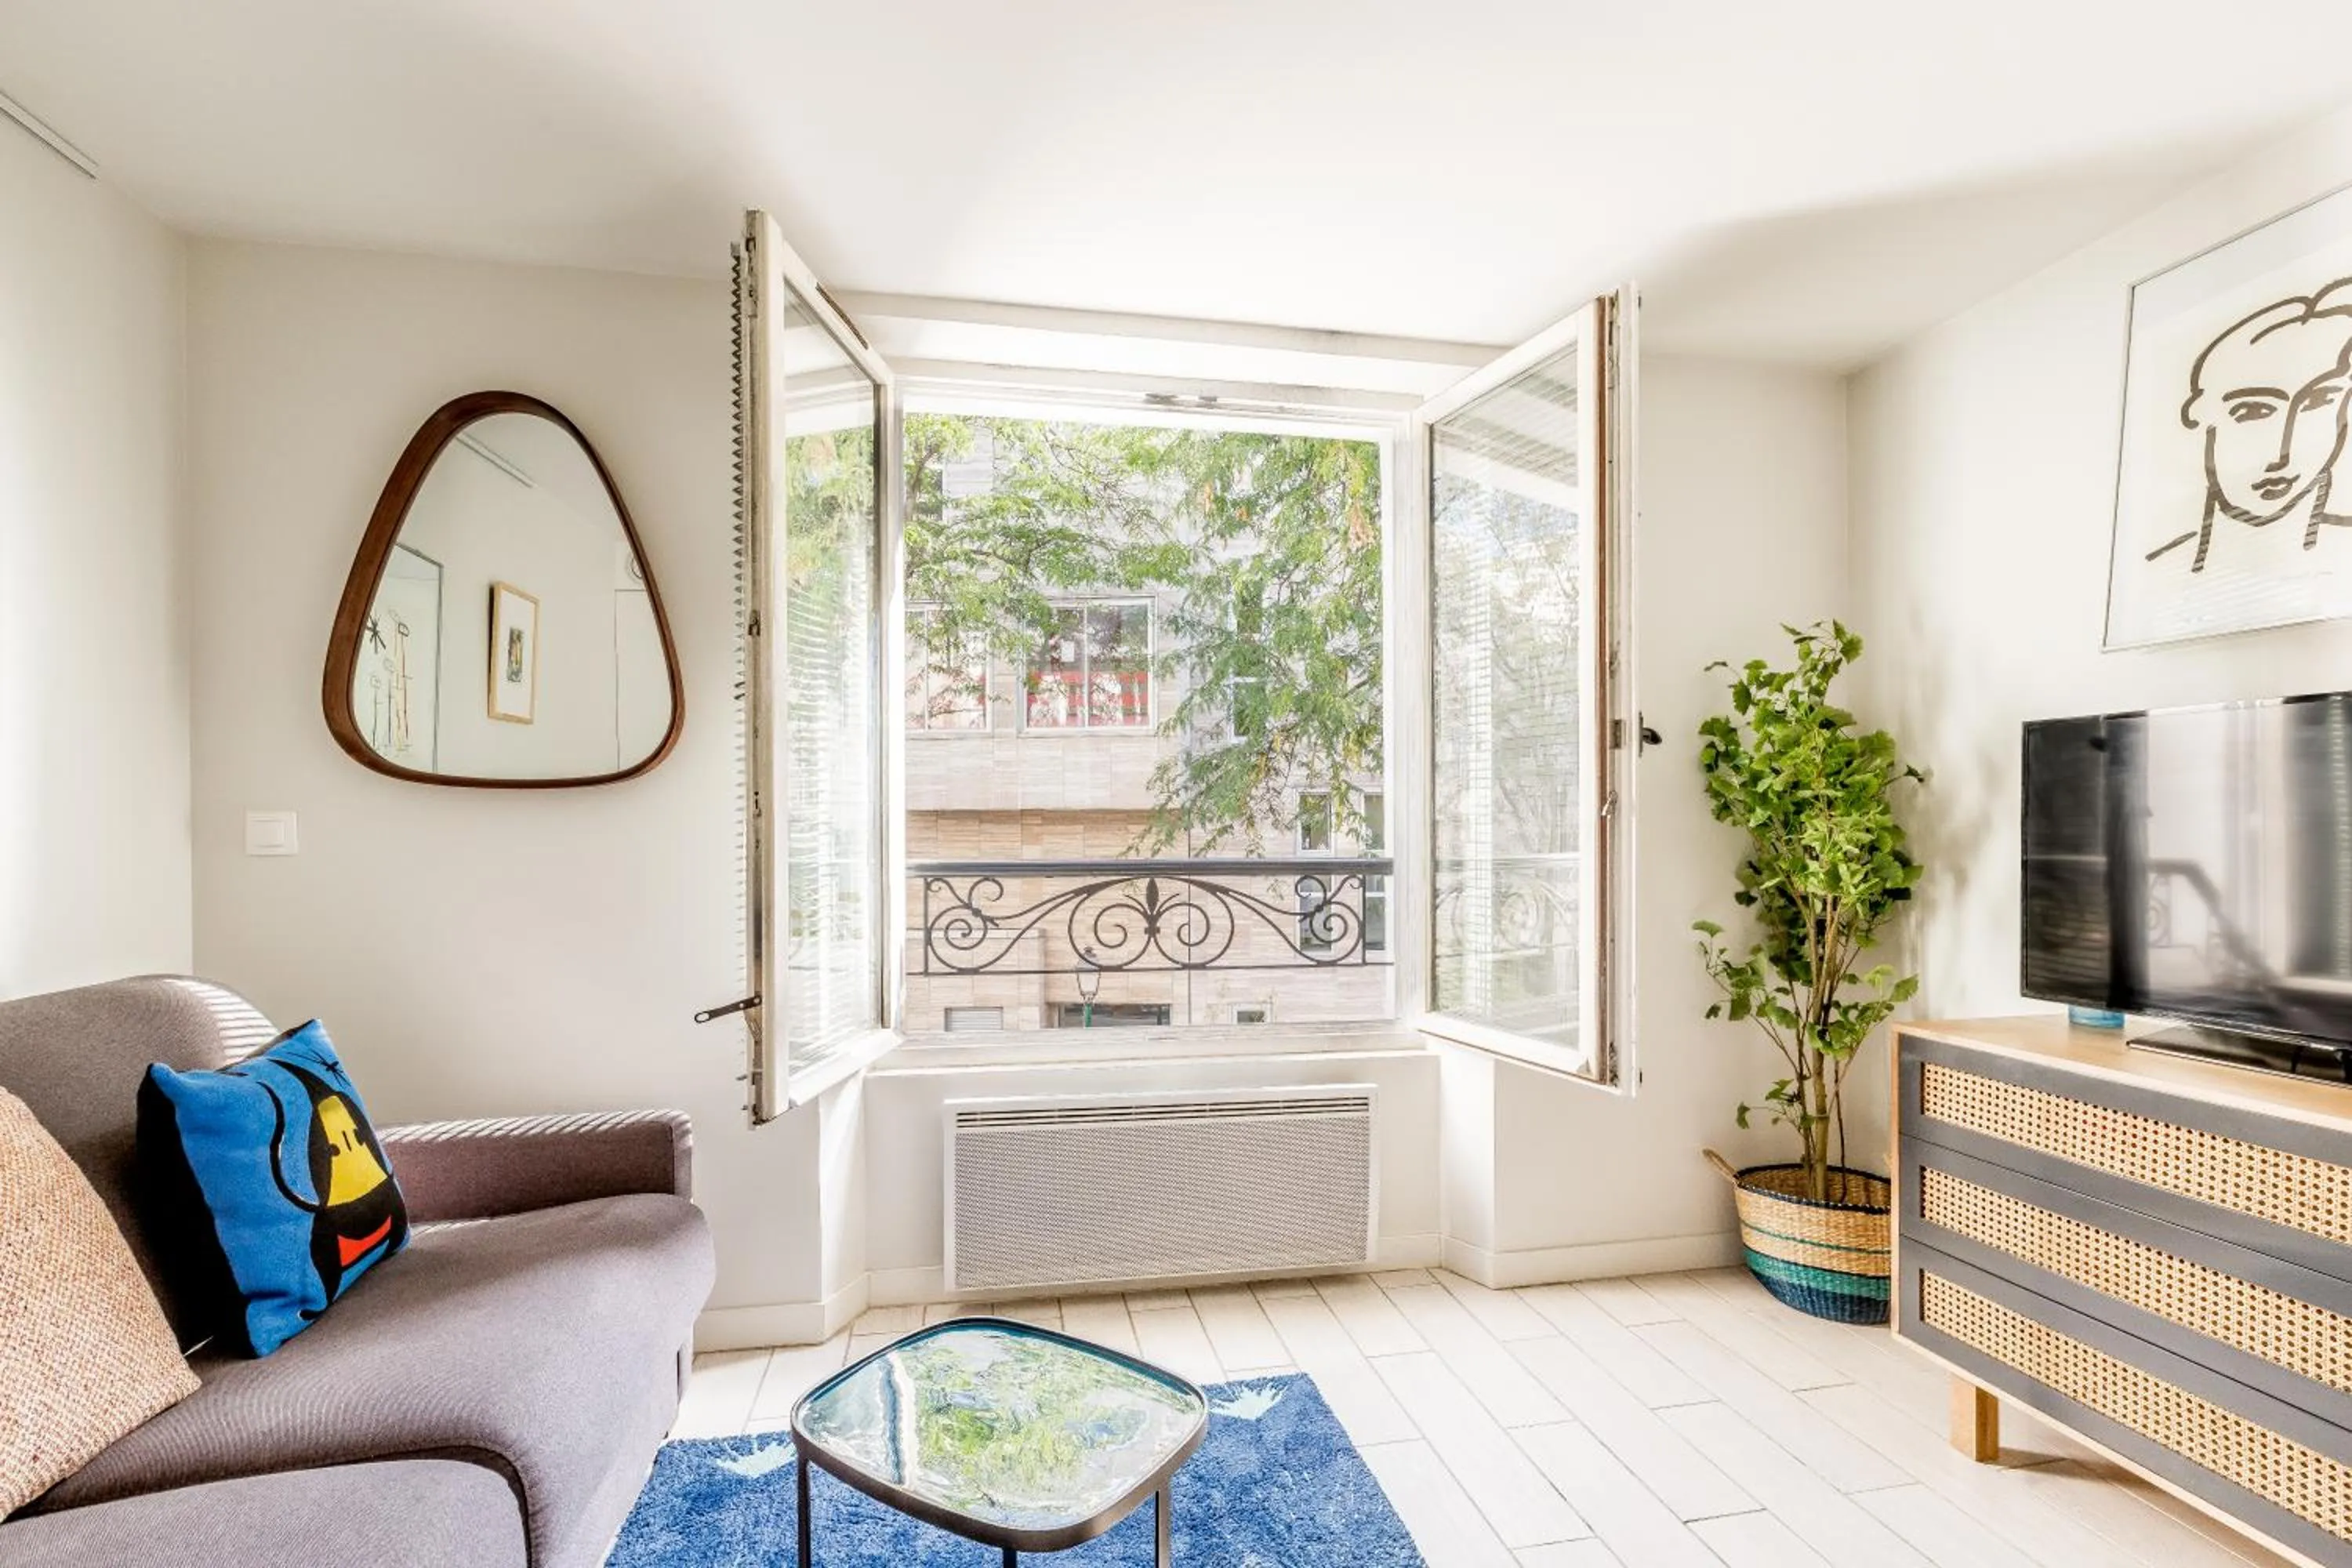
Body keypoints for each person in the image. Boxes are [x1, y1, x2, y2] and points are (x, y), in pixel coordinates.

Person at [2161, 276, 2352, 572]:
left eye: (2318, 401)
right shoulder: (2162, 568)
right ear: (2201, 415)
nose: (2283, 452)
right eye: (2253, 411)